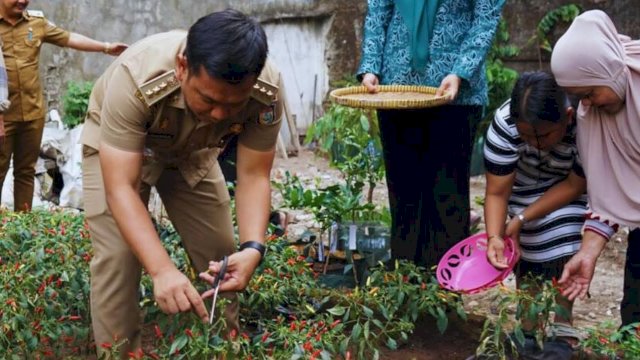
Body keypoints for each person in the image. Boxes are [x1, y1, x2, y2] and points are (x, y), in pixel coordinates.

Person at [80, 9, 283, 356]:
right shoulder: (136, 80)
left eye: (233, 105)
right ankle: (120, 353)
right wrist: (161, 270)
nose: (220, 114)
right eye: (209, 99)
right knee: (118, 259)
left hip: (194, 150)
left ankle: (219, 348)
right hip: (122, 151)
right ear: (182, 66)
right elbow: (121, 188)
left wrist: (253, 248)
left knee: (220, 253)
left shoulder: (266, 91)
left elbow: (252, 175)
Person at [358, 0, 506, 269]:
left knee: (447, 196)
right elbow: (378, 10)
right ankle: (407, 288)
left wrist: (460, 72)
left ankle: (445, 293)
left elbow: (486, 17)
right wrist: (370, 67)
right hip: (398, 91)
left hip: (454, 94)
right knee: (404, 195)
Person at [484, 71, 588, 358]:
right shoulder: (505, 124)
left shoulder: (586, 124)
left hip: (568, 188)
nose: (534, 144)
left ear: (567, 117)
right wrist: (495, 236)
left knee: (564, 231)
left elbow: (576, 184)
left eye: (542, 135)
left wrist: (521, 218)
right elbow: (497, 193)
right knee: (523, 244)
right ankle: (527, 328)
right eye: (526, 136)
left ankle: (562, 328)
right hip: (521, 186)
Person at [550, 10, 640, 327]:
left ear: (609, 69)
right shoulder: (594, 115)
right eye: (579, 96)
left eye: (590, 92)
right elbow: (609, 192)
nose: (586, 103)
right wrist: (587, 254)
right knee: (635, 318)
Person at [0, 0, 127, 211]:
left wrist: (105, 47)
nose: (23, 1)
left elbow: (68, 38)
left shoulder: (36, 23)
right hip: (4, 116)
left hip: (33, 114)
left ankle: (20, 229)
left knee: (25, 172)